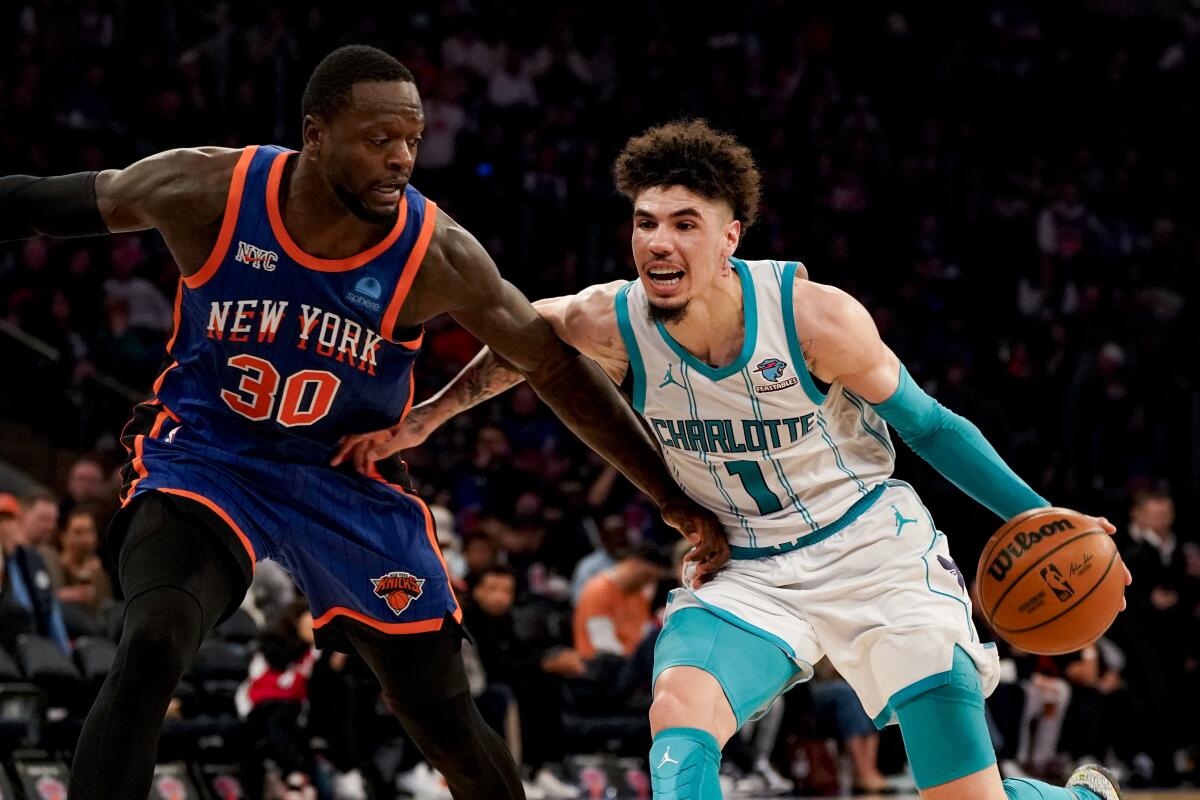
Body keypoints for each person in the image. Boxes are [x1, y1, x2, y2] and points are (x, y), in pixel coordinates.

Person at [0, 47, 728, 800]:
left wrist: (667, 494)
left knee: (441, 715)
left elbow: (550, 365)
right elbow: (35, 205)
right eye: (379, 139)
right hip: (214, 454)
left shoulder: (434, 252)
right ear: (315, 134)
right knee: (153, 639)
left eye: (411, 140)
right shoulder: (207, 189)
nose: (402, 159)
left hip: (345, 477)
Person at [340, 119, 1132, 800]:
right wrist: (429, 419)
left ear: (729, 240)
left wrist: (1036, 513)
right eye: (646, 222)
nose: (658, 241)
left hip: (871, 550)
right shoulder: (612, 318)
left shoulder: (813, 318)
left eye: (685, 223)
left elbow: (931, 427)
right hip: (746, 566)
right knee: (679, 728)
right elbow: (521, 338)